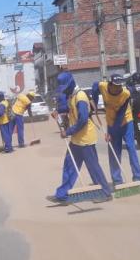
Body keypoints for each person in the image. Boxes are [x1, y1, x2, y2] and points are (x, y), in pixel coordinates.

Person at [47, 72, 112, 205]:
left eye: (65, 87)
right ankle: (63, 194)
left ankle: (105, 192)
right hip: (76, 140)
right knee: (69, 166)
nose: (64, 91)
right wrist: (58, 111)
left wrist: (68, 131)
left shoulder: (81, 97)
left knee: (93, 167)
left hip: (86, 139)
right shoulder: (73, 96)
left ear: (71, 83)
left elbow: (82, 120)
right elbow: (68, 108)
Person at [92, 74, 140, 185]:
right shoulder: (103, 86)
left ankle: (138, 177)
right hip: (111, 121)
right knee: (114, 151)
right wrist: (95, 104)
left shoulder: (125, 94)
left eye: (120, 86)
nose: (118, 89)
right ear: (110, 85)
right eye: (115, 86)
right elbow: (94, 86)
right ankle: (117, 180)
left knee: (131, 147)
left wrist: (110, 133)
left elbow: (120, 115)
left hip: (126, 121)